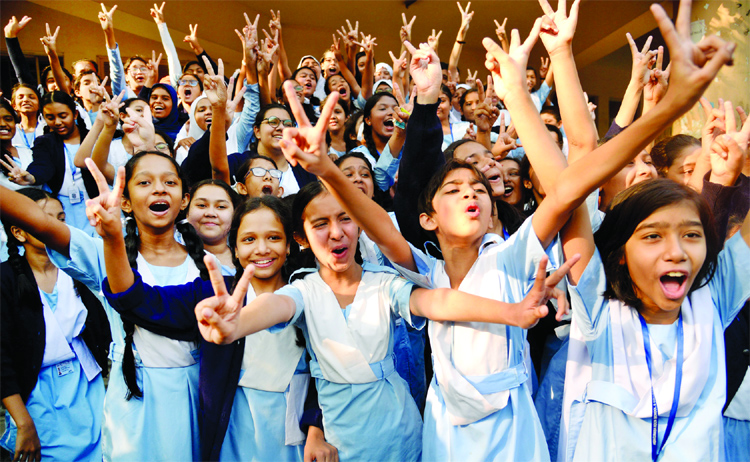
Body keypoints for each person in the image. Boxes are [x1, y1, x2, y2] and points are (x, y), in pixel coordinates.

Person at [0, 151, 210, 462]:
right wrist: (110, 236)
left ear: (184, 199)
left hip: (194, 394)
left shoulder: (208, 264)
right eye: (144, 182)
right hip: (134, 400)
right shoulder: (106, 252)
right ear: (124, 201)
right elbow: (40, 223)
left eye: (169, 182)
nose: (159, 189)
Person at [0, 188, 110, 462]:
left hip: (85, 385)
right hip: (37, 394)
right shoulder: (6, 280)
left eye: (62, 218)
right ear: (19, 232)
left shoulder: (78, 269)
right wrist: (23, 422)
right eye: (44, 218)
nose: (55, 226)